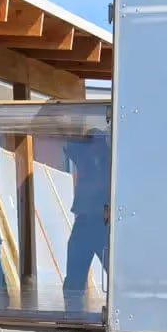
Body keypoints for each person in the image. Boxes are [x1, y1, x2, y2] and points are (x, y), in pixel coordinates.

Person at [62, 129, 111, 314]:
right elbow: (69, 144)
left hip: (102, 223)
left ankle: (123, 309)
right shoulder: (84, 156)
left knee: (114, 273)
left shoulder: (111, 160)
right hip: (85, 221)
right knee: (74, 278)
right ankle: (73, 313)